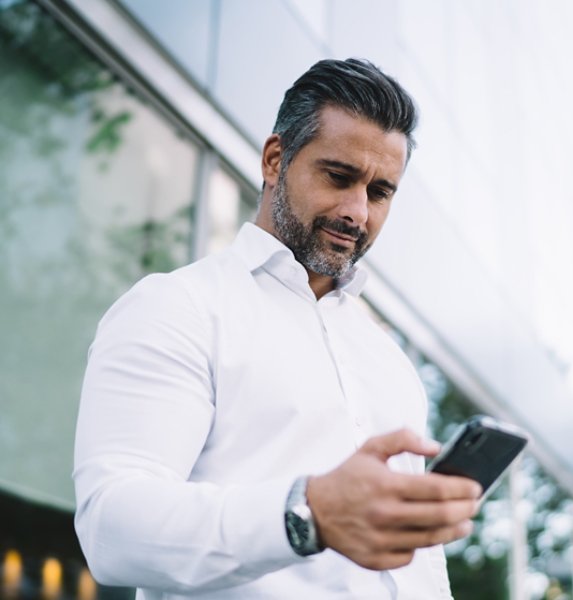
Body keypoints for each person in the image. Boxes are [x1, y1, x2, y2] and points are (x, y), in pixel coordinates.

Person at [74, 58, 481, 600]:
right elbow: (112, 530)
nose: (357, 211)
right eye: (339, 177)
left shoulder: (390, 361)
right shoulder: (179, 307)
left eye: (380, 192)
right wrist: (307, 514)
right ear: (274, 160)